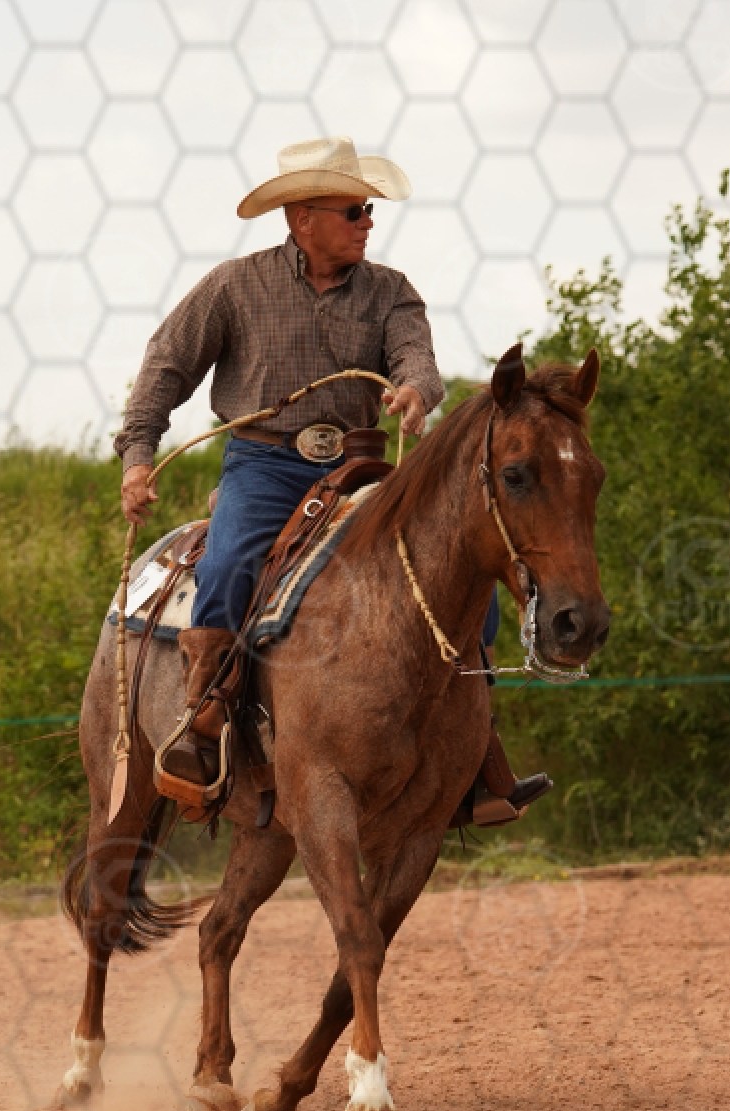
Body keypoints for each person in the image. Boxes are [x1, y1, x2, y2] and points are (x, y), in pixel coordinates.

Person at [112, 136, 549, 827]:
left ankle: (469, 751)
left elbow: (417, 358)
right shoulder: (233, 287)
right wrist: (139, 455)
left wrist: (414, 391)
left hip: (360, 464)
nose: (367, 222)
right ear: (303, 218)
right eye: (353, 211)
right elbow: (167, 365)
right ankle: (206, 722)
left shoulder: (391, 292)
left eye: (369, 210)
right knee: (227, 567)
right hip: (263, 465)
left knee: (464, 574)